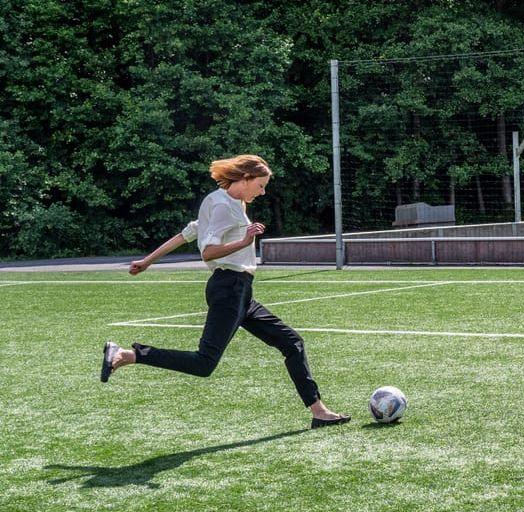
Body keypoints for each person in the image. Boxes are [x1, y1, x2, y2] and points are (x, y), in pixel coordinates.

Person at [102, 155, 350, 428]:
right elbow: (208, 251)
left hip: (240, 291)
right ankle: (129, 355)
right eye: (260, 185)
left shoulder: (223, 200)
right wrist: (245, 240)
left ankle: (319, 411)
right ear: (245, 179)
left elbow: (188, 233)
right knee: (204, 363)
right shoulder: (223, 207)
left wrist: (147, 261)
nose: (263, 191)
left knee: (292, 342)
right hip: (229, 288)